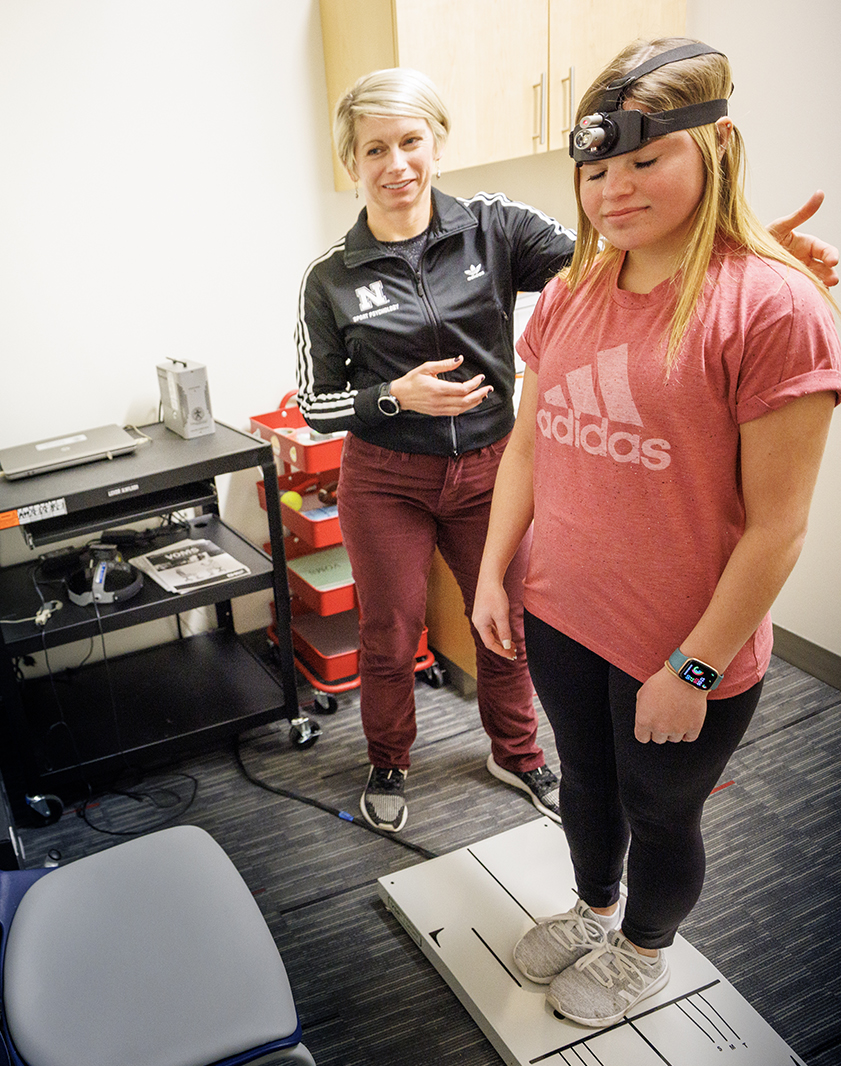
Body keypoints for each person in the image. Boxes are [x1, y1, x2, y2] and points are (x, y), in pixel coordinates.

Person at [294, 67, 836, 835]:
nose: (395, 164)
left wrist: (742, 263)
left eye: (410, 141)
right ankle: (389, 756)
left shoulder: (493, 226)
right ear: (351, 162)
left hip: (490, 462)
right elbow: (313, 406)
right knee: (389, 630)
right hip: (385, 477)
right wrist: (392, 397)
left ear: (436, 145)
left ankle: (514, 753)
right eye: (373, 149)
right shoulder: (330, 276)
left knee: (506, 620)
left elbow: (621, 260)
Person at [472, 38, 839, 1028]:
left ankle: (644, 946)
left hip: (683, 643)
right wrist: (495, 574)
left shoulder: (774, 309)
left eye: (644, 161)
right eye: (595, 170)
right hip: (560, 609)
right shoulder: (571, 294)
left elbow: (778, 529)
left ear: (715, 147)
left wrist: (694, 666)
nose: (614, 189)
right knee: (584, 781)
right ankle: (596, 907)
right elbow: (528, 450)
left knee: (661, 808)